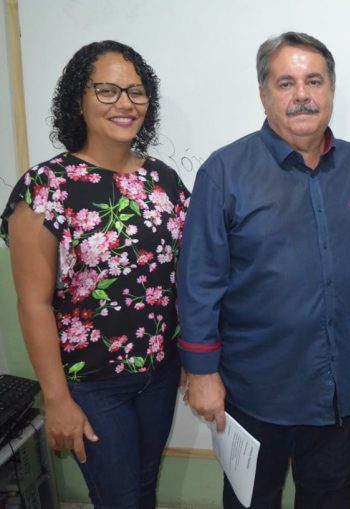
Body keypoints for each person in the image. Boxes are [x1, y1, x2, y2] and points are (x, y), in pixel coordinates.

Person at [176, 32, 350, 509]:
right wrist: (202, 373)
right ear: (263, 94)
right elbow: (198, 281)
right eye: (286, 83)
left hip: (335, 392)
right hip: (254, 394)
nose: (302, 95)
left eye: (314, 81)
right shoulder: (224, 172)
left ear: (330, 90)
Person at [1, 41, 189, 508]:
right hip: (93, 383)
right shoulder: (47, 187)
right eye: (107, 90)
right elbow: (33, 303)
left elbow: (185, 275)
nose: (125, 103)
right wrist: (56, 400)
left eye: (136, 91)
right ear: (78, 100)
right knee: (118, 500)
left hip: (160, 372)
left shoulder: (164, 181)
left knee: (143, 490)